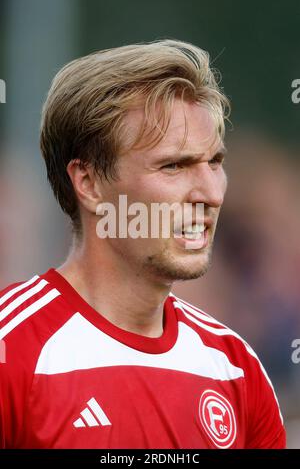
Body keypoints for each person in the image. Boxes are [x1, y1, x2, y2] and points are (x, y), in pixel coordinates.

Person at [0, 39, 286, 449]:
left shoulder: (236, 368)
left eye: (215, 163)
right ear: (88, 182)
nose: (210, 192)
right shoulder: (12, 351)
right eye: (174, 165)